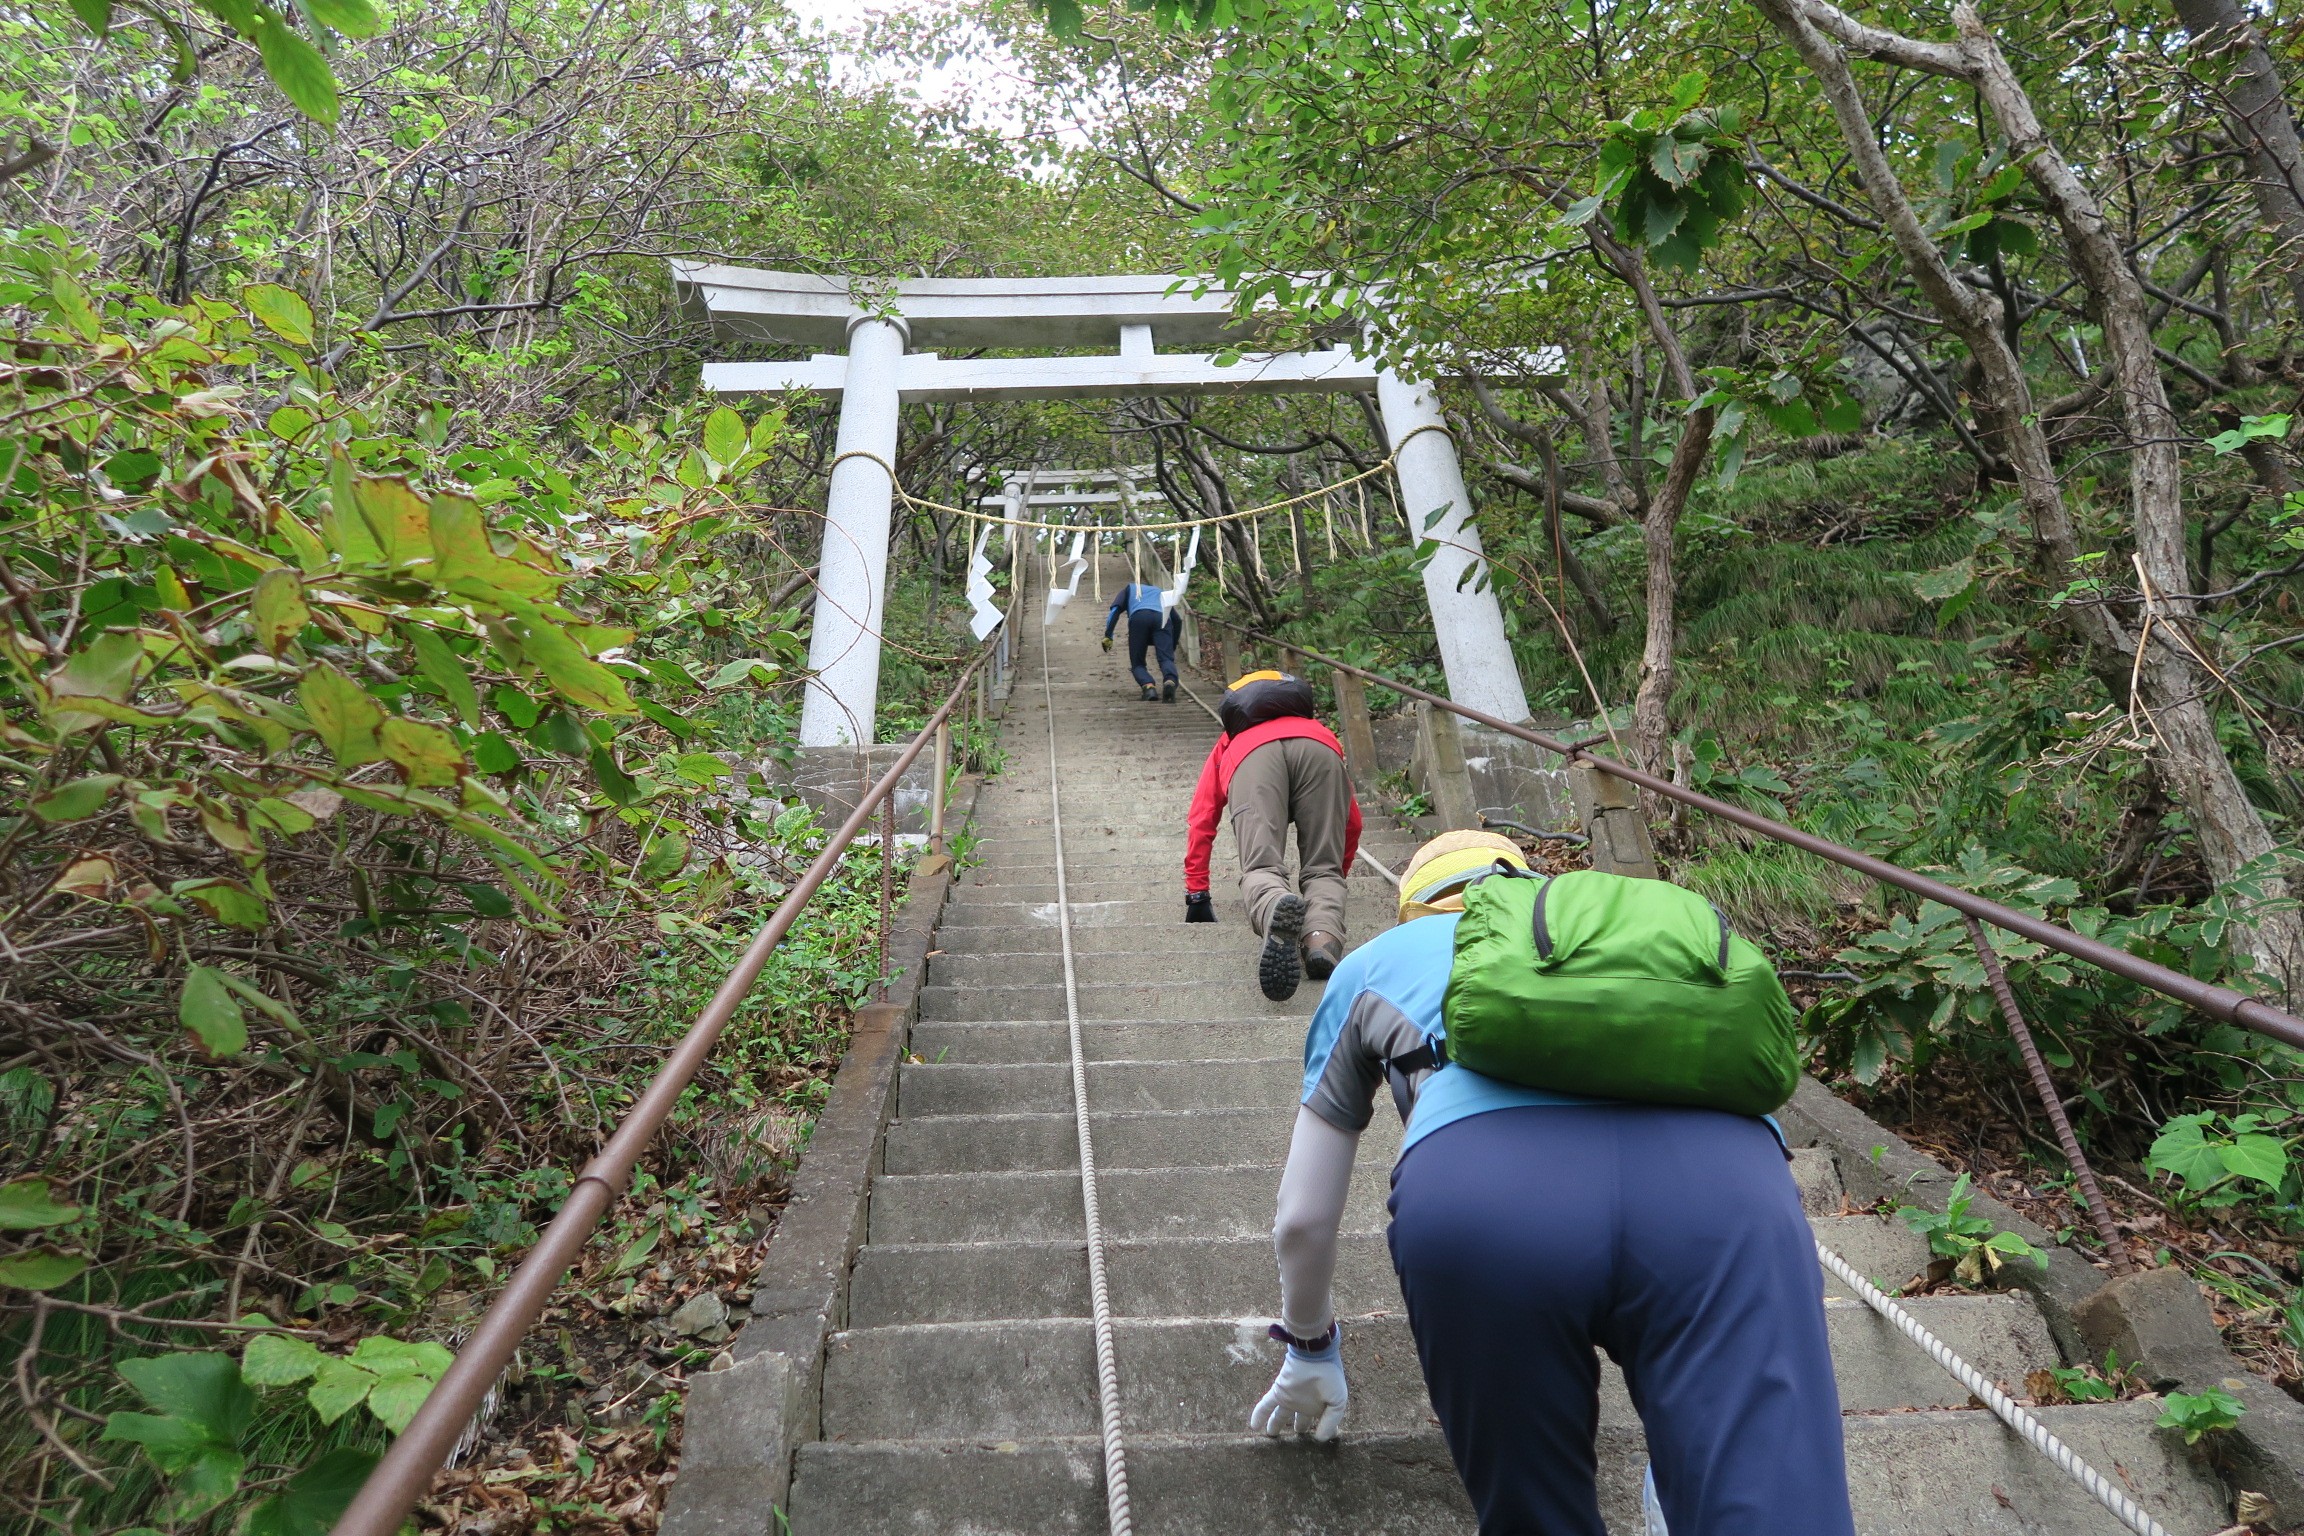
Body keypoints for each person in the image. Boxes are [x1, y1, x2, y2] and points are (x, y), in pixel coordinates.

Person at [1250, 830, 1855, 1536]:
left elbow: (1302, 1220)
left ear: (1412, 907)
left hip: (1483, 1201)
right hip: (1727, 1196)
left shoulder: (1375, 963)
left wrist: (1310, 1345)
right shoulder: (1630, 941)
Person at [1183, 670, 1362, 1001]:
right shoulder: (1317, 729)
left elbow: (1203, 817)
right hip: (1319, 753)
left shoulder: (1233, 739)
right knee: (1323, 868)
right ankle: (1321, 939)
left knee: (1261, 866)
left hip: (1253, 759)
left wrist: (1197, 891)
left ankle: (1274, 903)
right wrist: (1338, 871)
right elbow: (1352, 822)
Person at [1103, 579, 1181, 702]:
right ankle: (1169, 681)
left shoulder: (1128, 589)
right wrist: (1172, 644)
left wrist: (1108, 635)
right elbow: (1177, 620)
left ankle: (1148, 687)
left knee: (1137, 663)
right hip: (1162, 618)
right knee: (1166, 658)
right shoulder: (1159, 592)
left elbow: (1115, 611)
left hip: (1139, 618)